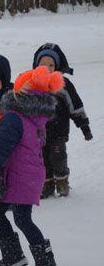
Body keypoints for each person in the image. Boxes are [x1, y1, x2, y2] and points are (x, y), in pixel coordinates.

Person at [0, 66, 62, 266]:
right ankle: (14, 256)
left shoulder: (14, 117)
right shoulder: (34, 116)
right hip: (29, 174)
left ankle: (45, 261)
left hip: (20, 175)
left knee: (22, 218)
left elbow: (2, 148)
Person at [31, 43, 93, 197]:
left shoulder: (63, 85)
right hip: (39, 134)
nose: (46, 68)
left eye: (50, 65)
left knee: (58, 159)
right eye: (42, 64)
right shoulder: (32, 84)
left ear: (57, 66)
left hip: (58, 132)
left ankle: (62, 183)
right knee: (42, 160)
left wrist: (84, 126)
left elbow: (76, 107)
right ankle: (46, 185)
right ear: (36, 65)